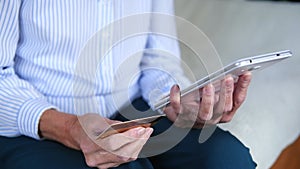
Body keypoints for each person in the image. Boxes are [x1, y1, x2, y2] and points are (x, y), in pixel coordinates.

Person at [0, 0, 256, 169]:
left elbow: (158, 60)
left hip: (133, 111)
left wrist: (178, 100)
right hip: (38, 124)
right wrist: (70, 127)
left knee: (227, 160)